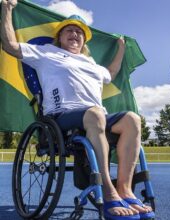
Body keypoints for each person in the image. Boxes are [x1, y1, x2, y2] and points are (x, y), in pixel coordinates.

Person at [1, 0, 155, 219]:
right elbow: (10, 45)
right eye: (69, 30)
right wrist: (7, 9)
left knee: (132, 119)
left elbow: (111, 73)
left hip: (96, 117)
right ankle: (109, 193)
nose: (74, 34)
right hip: (61, 116)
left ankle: (125, 190)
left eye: (79, 32)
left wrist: (121, 47)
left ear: (84, 40)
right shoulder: (46, 53)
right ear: (60, 37)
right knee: (95, 113)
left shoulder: (91, 63)